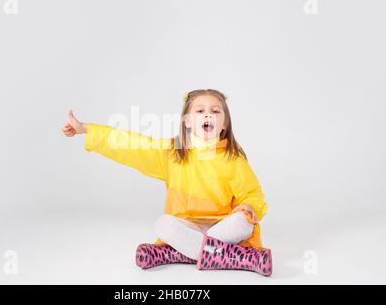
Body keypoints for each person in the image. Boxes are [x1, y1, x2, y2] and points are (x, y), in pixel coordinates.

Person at [61, 89, 272, 276]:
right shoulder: (173, 152)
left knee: (243, 222)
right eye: (200, 111)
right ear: (187, 122)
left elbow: (252, 194)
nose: (208, 114)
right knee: (163, 224)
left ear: (224, 123)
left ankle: (177, 252)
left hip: (222, 225)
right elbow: (132, 145)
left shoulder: (232, 158)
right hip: (187, 224)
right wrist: (87, 129)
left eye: (215, 111)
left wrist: (249, 206)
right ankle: (239, 258)